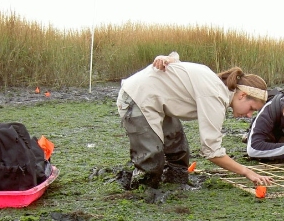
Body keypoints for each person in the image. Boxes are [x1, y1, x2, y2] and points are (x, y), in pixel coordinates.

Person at [116, 52, 274, 190]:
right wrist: (247, 172)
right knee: (151, 159)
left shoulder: (215, 86)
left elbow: (178, 66)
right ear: (242, 96)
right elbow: (212, 152)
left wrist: (170, 58)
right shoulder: (215, 96)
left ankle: (176, 187)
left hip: (157, 101)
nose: (249, 115)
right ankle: (142, 194)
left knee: (178, 151)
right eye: (251, 108)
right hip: (135, 97)